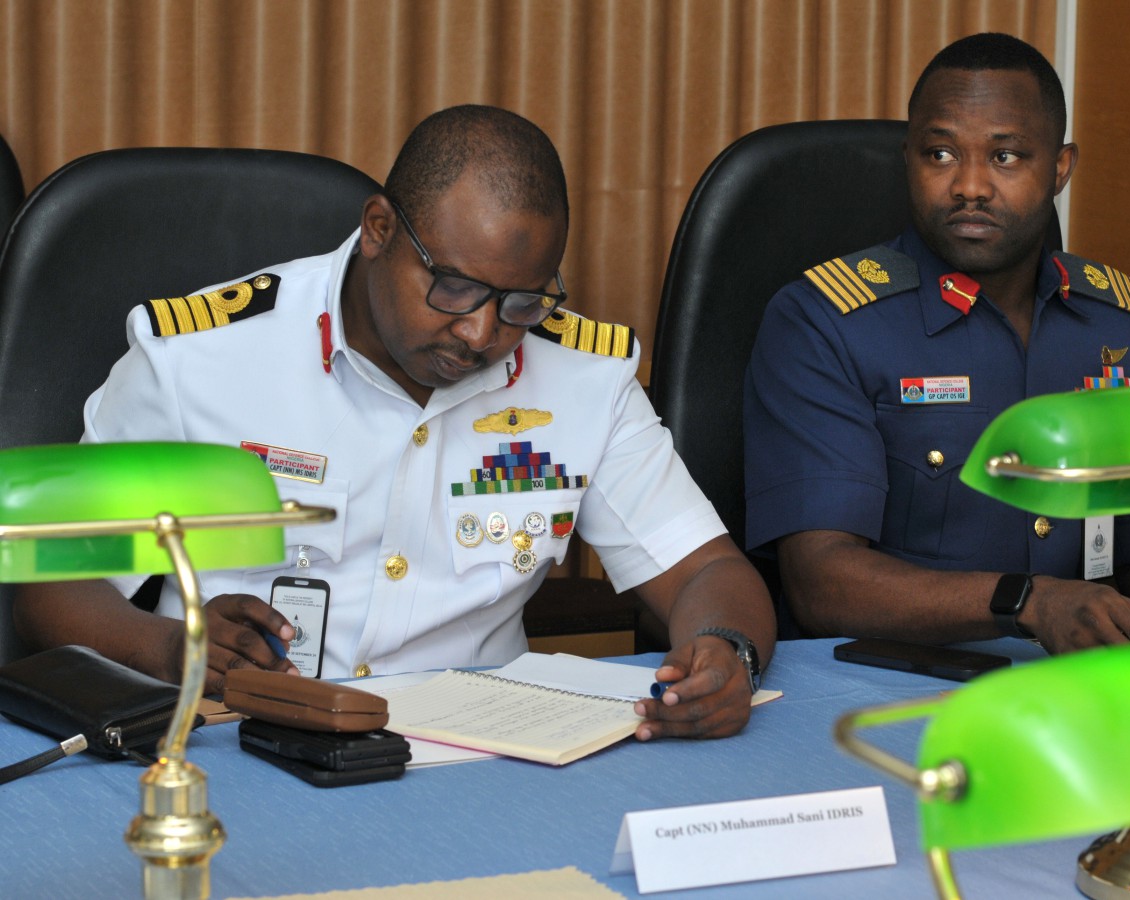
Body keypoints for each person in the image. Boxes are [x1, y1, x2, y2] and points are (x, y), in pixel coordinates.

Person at [14, 105, 774, 740]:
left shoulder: (583, 379)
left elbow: (706, 571)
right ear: (379, 229)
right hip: (237, 746)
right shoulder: (198, 359)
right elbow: (53, 583)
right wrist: (169, 648)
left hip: (483, 759)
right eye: (454, 288)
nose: (481, 333)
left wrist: (727, 654)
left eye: (522, 303)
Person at [743, 33, 1130, 655]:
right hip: (885, 680)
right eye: (940, 153)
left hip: (1079, 677)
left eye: (1005, 156)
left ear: (1060, 169)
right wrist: (1028, 602)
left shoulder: (1116, 328)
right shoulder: (824, 322)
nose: (970, 186)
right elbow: (821, 583)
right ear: (908, 160)